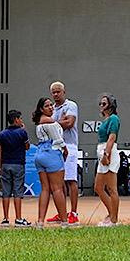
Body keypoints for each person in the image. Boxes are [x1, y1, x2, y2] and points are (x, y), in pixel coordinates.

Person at [46, 81, 80, 225]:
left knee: (71, 180)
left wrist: (53, 124)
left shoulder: (71, 105)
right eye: (53, 92)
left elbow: (70, 123)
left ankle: (74, 213)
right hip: (56, 147)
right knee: (58, 183)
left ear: (64, 92)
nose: (55, 94)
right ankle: (62, 213)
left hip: (69, 145)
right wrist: (61, 121)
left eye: (58, 91)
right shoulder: (52, 108)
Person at [31, 97, 68, 228]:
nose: (51, 107)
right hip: (52, 152)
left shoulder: (39, 122)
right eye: (47, 106)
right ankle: (64, 221)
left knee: (45, 189)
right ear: (41, 109)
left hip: (40, 154)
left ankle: (40, 221)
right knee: (58, 189)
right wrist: (65, 149)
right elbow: (58, 139)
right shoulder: (51, 122)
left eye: (51, 105)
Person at [0, 109, 30, 227]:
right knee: (17, 192)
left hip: (5, 164)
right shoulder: (22, 133)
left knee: (5, 192)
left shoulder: (2, 134)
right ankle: (18, 218)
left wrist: (0, 166)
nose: (21, 120)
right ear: (16, 120)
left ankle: (5, 218)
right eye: (20, 118)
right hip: (18, 164)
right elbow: (27, 147)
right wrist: (23, 130)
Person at [94, 94, 120, 226]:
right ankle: (111, 213)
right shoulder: (106, 119)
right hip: (102, 150)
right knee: (98, 187)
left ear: (110, 105)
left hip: (108, 150)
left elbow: (112, 137)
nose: (101, 106)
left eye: (104, 104)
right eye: (100, 104)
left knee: (111, 188)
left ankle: (114, 219)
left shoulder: (114, 119)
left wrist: (106, 154)